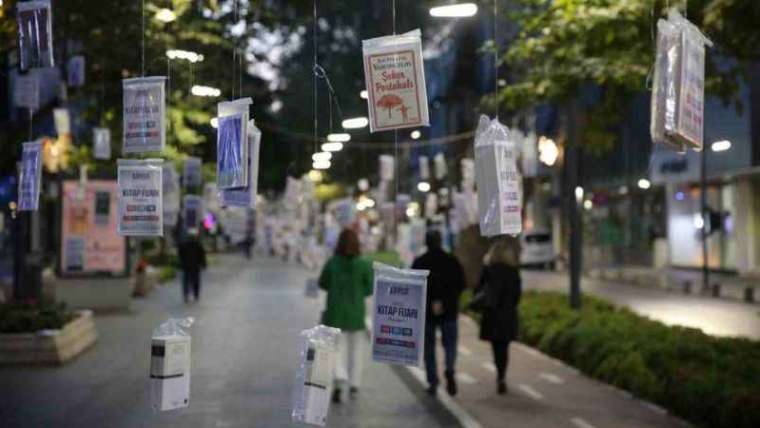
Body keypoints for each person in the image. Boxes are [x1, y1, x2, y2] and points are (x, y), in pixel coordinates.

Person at [318, 228, 373, 403]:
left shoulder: (332, 263)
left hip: (335, 313)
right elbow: (370, 288)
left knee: (336, 349)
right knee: (357, 351)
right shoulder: (363, 264)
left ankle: (339, 379)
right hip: (356, 313)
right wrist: (357, 292)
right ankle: (355, 385)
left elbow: (322, 283)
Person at [411, 230, 466, 397]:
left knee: (429, 348)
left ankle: (432, 381)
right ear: (441, 241)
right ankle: (449, 369)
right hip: (449, 310)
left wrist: (432, 300)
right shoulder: (452, 261)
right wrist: (446, 300)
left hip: (426, 311)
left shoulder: (419, 262)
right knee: (450, 344)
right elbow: (461, 284)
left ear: (426, 243)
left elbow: (413, 287)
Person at [474, 239, 522, 395]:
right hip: (507, 314)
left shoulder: (488, 270)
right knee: (504, 346)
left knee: (496, 346)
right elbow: (517, 295)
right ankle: (502, 375)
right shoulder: (513, 271)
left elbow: (478, 290)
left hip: (492, 313)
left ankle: (498, 370)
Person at [177, 229, 207, 303]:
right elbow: (202, 256)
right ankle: (195, 295)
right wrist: (203, 264)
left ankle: (186, 295)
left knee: (186, 281)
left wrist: (181, 263)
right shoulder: (198, 245)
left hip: (186, 266)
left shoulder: (183, 245)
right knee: (195, 281)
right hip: (195, 266)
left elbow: (180, 255)